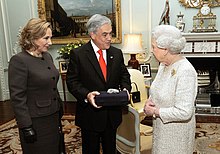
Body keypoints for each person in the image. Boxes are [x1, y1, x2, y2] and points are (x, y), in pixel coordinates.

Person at [66, 14, 131, 154]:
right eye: (105, 34)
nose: (109, 38)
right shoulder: (78, 54)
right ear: (93, 35)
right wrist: (87, 95)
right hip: (90, 116)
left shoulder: (117, 53)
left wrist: (125, 90)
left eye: (111, 34)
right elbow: (72, 82)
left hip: (112, 115)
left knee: (110, 149)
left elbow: (124, 75)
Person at [8, 18, 64, 154]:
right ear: (32, 38)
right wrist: (26, 126)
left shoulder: (47, 56)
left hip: (53, 116)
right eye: (46, 38)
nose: (50, 42)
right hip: (36, 121)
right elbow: (17, 98)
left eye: (50, 38)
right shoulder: (19, 61)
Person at [143, 25, 197, 154]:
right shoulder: (164, 64)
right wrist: (149, 102)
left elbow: (184, 112)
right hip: (161, 131)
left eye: (153, 46)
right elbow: (158, 89)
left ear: (165, 49)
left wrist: (155, 111)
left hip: (177, 136)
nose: (151, 50)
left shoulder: (185, 71)